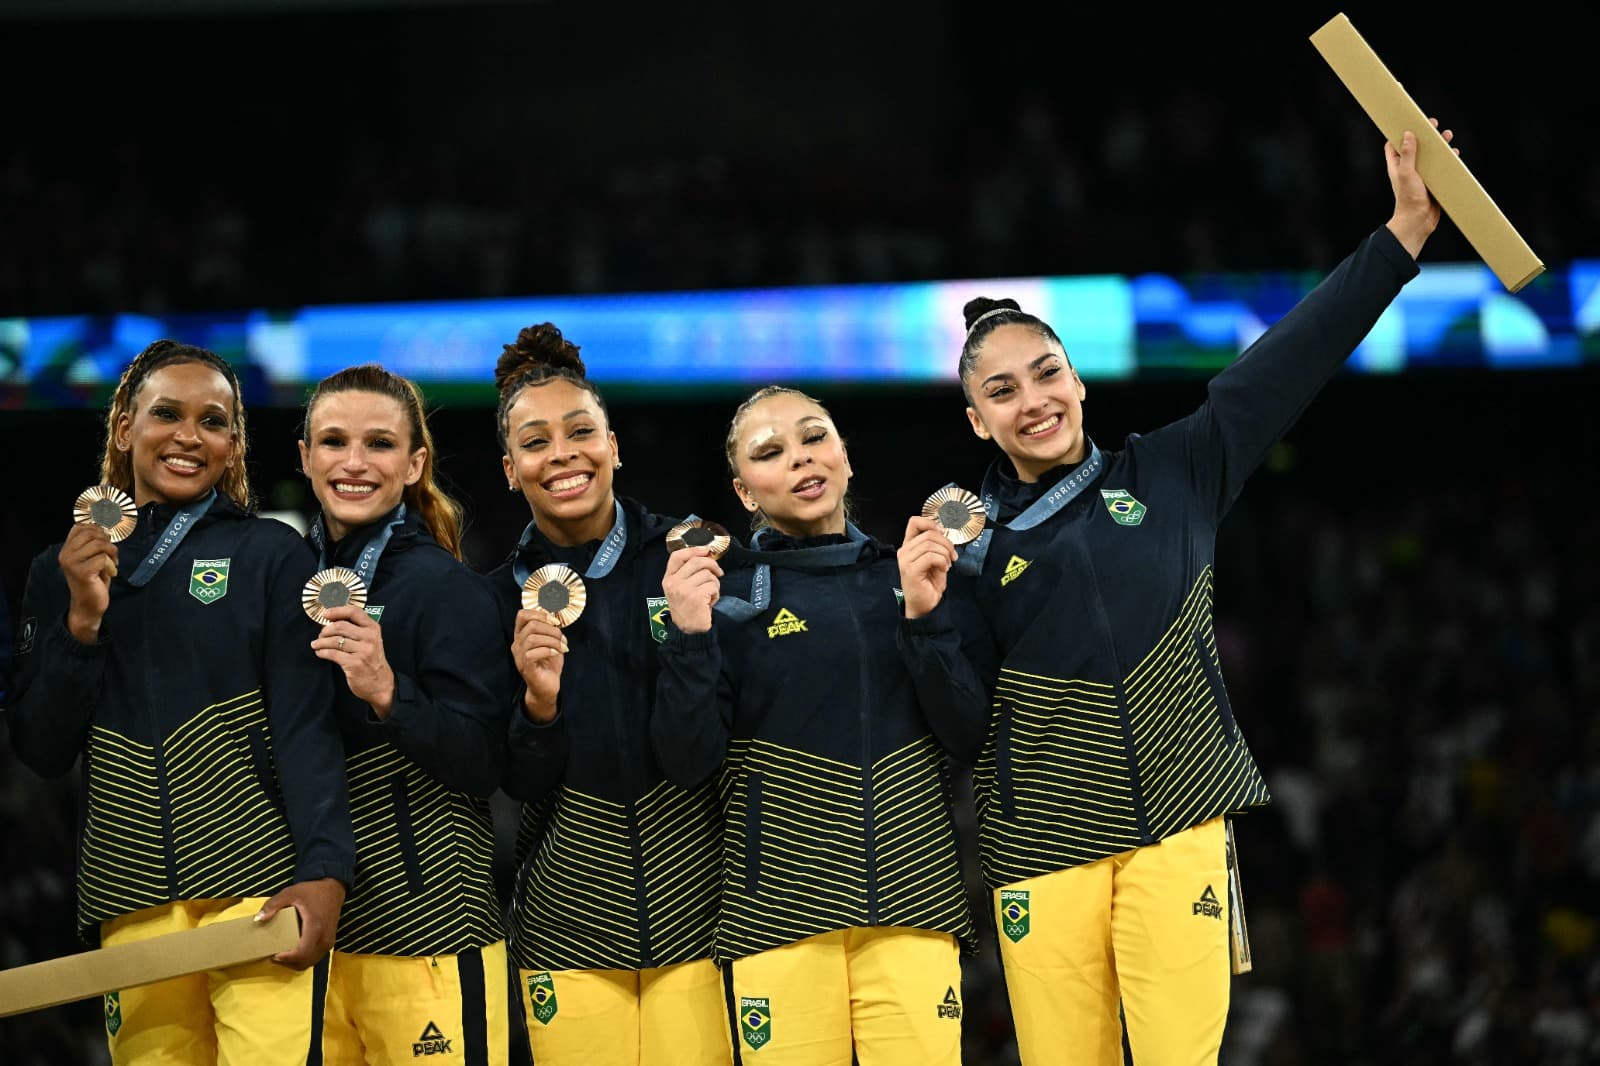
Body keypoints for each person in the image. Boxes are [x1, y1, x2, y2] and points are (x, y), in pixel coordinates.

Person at [898, 125, 1452, 1064]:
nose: (1032, 399)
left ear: (1075, 376)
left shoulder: (1175, 473)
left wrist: (1399, 237)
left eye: (1044, 373)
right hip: (1041, 849)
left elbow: (1294, 355)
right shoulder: (962, 549)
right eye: (1001, 390)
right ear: (976, 418)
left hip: (1177, 827)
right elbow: (959, 726)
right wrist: (921, 617)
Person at [6, 339, 355, 1064]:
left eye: (215, 422)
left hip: (257, 887)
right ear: (125, 428)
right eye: (168, 414)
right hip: (128, 893)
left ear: (233, 446)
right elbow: (41, 748)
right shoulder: (60, 569)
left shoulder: (270, 555)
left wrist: (325, 870)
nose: (190, 437)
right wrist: (80, 623)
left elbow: (305, 725)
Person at [652, 385, 981, 1065]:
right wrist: (688, 636)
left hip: (912, 906)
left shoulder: (912, 577)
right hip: (776, 919)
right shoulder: (724, 599)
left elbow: (966, 733)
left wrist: (925, 621)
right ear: (745, 493)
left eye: (814, 438)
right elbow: (687, 762)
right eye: (770, 453)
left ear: (846, 458)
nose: (801, 459)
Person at [488, 323, 730, 1065]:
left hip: (706, 922)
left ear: (614, 446)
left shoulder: (691, 561)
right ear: (509, 469)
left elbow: (700, 757)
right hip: (566, 929)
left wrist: (689, 636)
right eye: (535, 442)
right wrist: (538, 706)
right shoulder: (496, 601)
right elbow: (519, 783)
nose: (561, 454)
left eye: (579, 432)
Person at [297, 364, 513, 1064]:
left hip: (429, 935)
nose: (354, 463)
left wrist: (391, 692)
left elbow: (487, 762)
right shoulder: (283, 579)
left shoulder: (443, 589)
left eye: (380, 445)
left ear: (415, 462)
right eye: (333, 441)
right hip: (304, 947)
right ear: (305, 456)